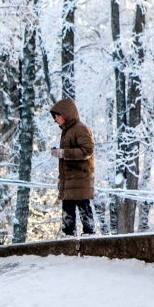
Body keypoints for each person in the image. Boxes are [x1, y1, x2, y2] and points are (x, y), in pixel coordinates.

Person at [49, 98, 96, 237]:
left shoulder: (80, 129)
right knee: (68, 206)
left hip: (79, 178)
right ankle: (68, 234)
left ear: (66, 114)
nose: (56, 120)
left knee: (82, 204)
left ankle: (88, 233)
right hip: (69, 179)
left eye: (57, 116)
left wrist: (64, 153)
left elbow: (87, 150)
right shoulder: (67, 132)